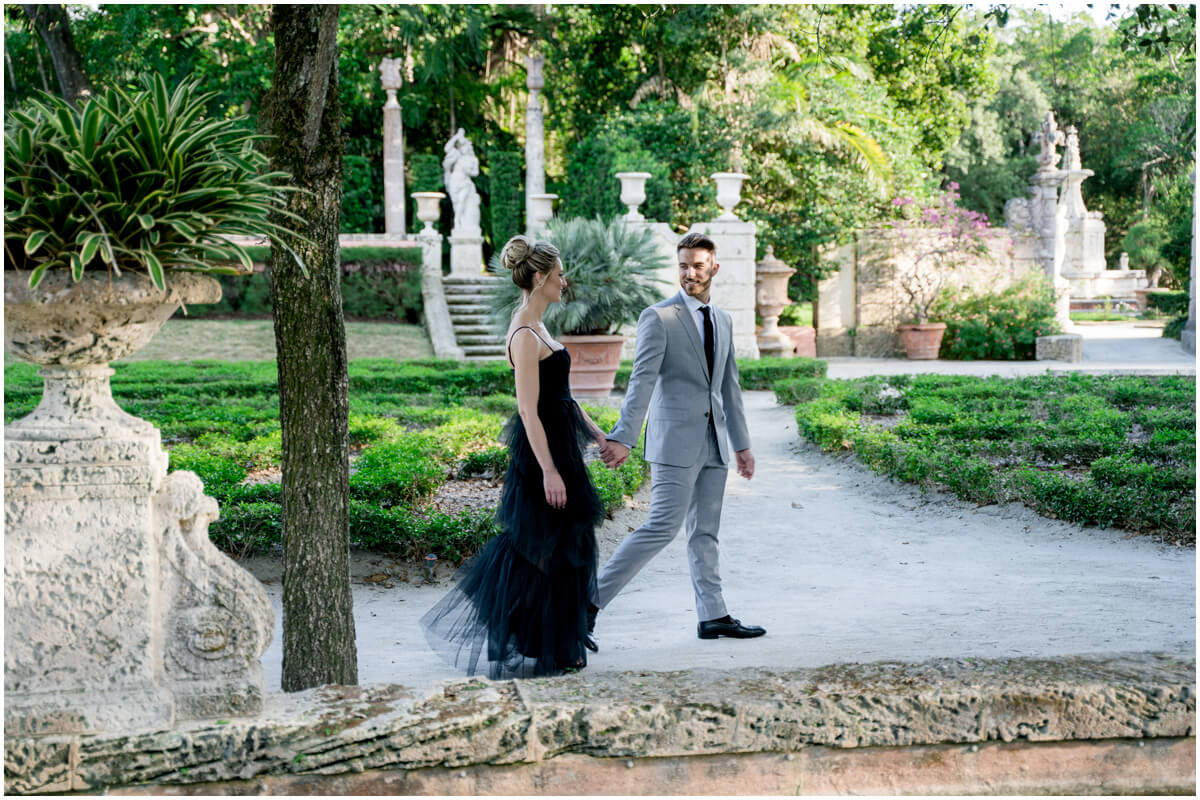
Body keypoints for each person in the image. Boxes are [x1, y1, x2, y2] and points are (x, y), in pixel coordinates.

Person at [420, 235, 609, 677]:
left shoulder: (539, 325)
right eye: (560, 274)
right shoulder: (524, 333)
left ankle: (561, 641)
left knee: (568, 545)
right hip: (542, 454)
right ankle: (530, 636)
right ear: (541, 277)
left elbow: (563, 398)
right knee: (537, 549)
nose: (565, 281)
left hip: (562, 447)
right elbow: (528, 409)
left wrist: (599, 436)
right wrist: (549, 471)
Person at [593, 232, 765, 642]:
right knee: (661, 527)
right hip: (673, 443)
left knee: (705, 531)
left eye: (698, 266)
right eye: (684, 265)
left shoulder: (722, 320)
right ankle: (589, 602)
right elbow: (641, 382)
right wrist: (624, 437)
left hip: (714, 443)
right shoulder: (659, 317)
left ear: (714, 268)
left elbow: (730, 388)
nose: (690, 273)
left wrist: (741, 445)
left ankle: (713, 615)